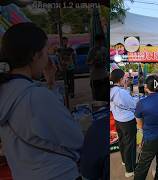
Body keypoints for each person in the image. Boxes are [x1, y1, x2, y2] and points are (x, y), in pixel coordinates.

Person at [0, 23, 83, 180]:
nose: (48, 59)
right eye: (46, 52)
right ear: (34, 55)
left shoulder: (6, 90)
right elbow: (75, 138)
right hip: (58, 174)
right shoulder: (36, 96)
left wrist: (51, 83)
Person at [134, 75, 158, 180]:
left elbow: (139, 124)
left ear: (146, 87)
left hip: (151, 137)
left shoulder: (142, 103)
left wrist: (141, 136)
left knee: (143, 164)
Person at [110, 69, 137, 178]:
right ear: (121, 79)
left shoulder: (112, 90)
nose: (126, 79)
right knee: (130, 145)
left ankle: (125, 161)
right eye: (125, 77)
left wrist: (125, 89)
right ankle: (130, 169)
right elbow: (133, 104)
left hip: (118, 120)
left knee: (122, 141)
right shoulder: (121, 93)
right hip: (127, 121)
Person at [87, 34, 108, 101]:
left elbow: (106, 60)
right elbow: (88, 62)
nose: (100, 43)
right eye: (99, 41)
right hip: (95, 77)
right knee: (97, 98)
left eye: (102, 41)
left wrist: (103, 61)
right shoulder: (92, 51)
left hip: (104, 76)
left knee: (105, 96)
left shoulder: (105, 50)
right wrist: (94, 60)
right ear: (96, 41)